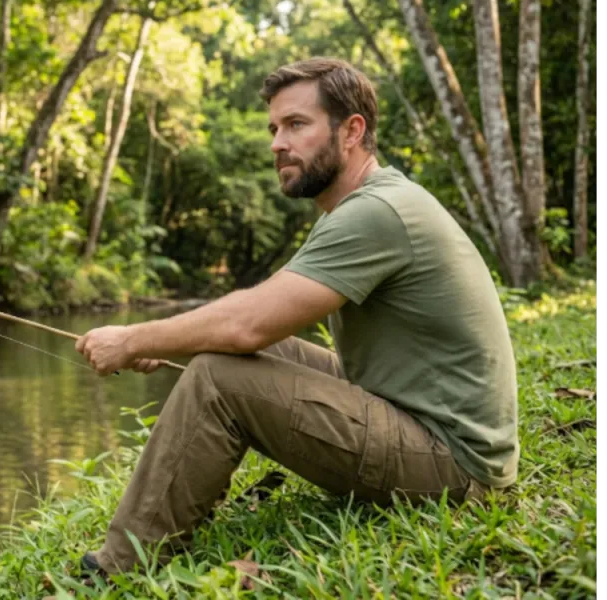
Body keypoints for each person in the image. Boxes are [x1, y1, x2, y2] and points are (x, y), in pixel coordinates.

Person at [73, 57, 519, 577]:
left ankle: (119, 568)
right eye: (274, 129)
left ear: (352, 131)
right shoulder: (363, 205)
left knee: (220, 378)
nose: (277, 144)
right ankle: (178, 505)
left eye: (296, 124)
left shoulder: (375, 213)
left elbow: (248, 323)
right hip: (424, 421)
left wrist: (133, 338)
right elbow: (263, 315)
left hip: (455, 465)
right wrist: (168, 340)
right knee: (251, 350)